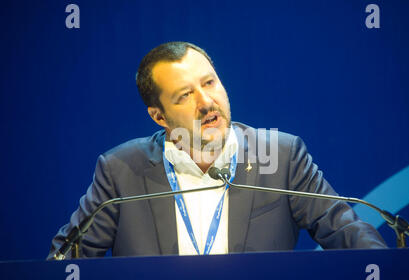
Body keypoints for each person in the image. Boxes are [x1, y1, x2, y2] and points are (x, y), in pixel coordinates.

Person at [47, 41, 386, 259]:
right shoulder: (121, 169)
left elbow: (345, 231)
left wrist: (390, 274)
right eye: (185, 95)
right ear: (158, 116)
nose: (206, 102)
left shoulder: (280, 155)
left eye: (209, 83)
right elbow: (67, 260)